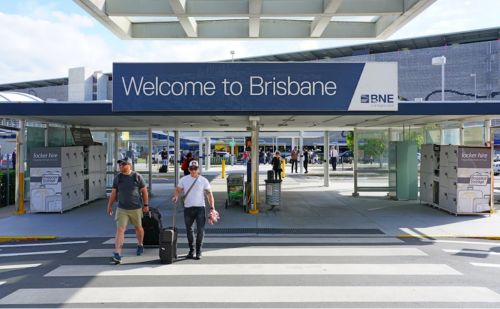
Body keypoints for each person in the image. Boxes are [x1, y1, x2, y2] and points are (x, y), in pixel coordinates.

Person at [107, 157, 149, 265]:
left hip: (136, 208)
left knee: (138, 228)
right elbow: (113, 193)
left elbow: (144, 191)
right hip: (122, 208)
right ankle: (117, 254)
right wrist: (110, 205)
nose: (120, 166)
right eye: (119, 164)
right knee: (120, 230)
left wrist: (146, 205)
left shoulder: (137, 177)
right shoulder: (118, 178)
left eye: (123, 164)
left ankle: (140, 244)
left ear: (129, 165)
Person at [172, 160, 215, 260]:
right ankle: (192, 250)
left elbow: (209, 194)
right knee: (189, 230)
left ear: (198, 169)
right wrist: (176, 196)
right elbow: (178, 189)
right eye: (191, 169)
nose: (193, 171)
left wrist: (212, 207)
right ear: (188, 169)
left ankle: (199, 251)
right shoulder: (184, 179)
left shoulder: (203, 180)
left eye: (195, 169)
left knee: (200, 230)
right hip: (188, 209)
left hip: (200, 208)